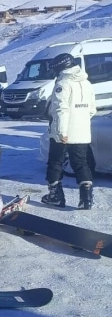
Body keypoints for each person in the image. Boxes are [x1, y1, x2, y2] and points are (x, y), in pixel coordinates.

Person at [41, 53, 96, 209]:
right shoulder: (87, 83)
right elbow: (92, 109)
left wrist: (61, 132)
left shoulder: (63, 83)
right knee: (81, 163)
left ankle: (55, 196)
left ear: (60, 67)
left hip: (63, 133)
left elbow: (61, 109)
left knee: (55, 163)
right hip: (82, 132)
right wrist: (80, 122)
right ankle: (86, 199)